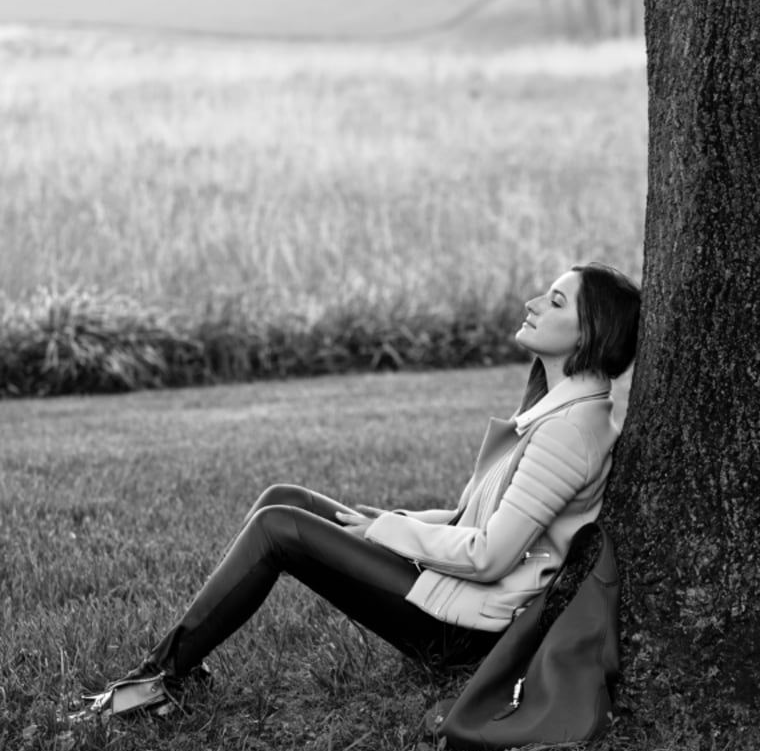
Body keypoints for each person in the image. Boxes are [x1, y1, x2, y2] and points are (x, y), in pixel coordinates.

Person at [79, 262, 640, 721]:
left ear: (590, 335)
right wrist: (395, 520)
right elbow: (478, 516)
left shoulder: (569, 431)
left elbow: (491, 556)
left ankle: (156, 681)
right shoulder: (562, 410)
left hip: (462, 631)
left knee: (279, 528)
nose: (534, 303)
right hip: (456, 596)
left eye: (557, 302)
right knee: (287, 497)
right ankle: (182, 664)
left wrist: (390, 532)